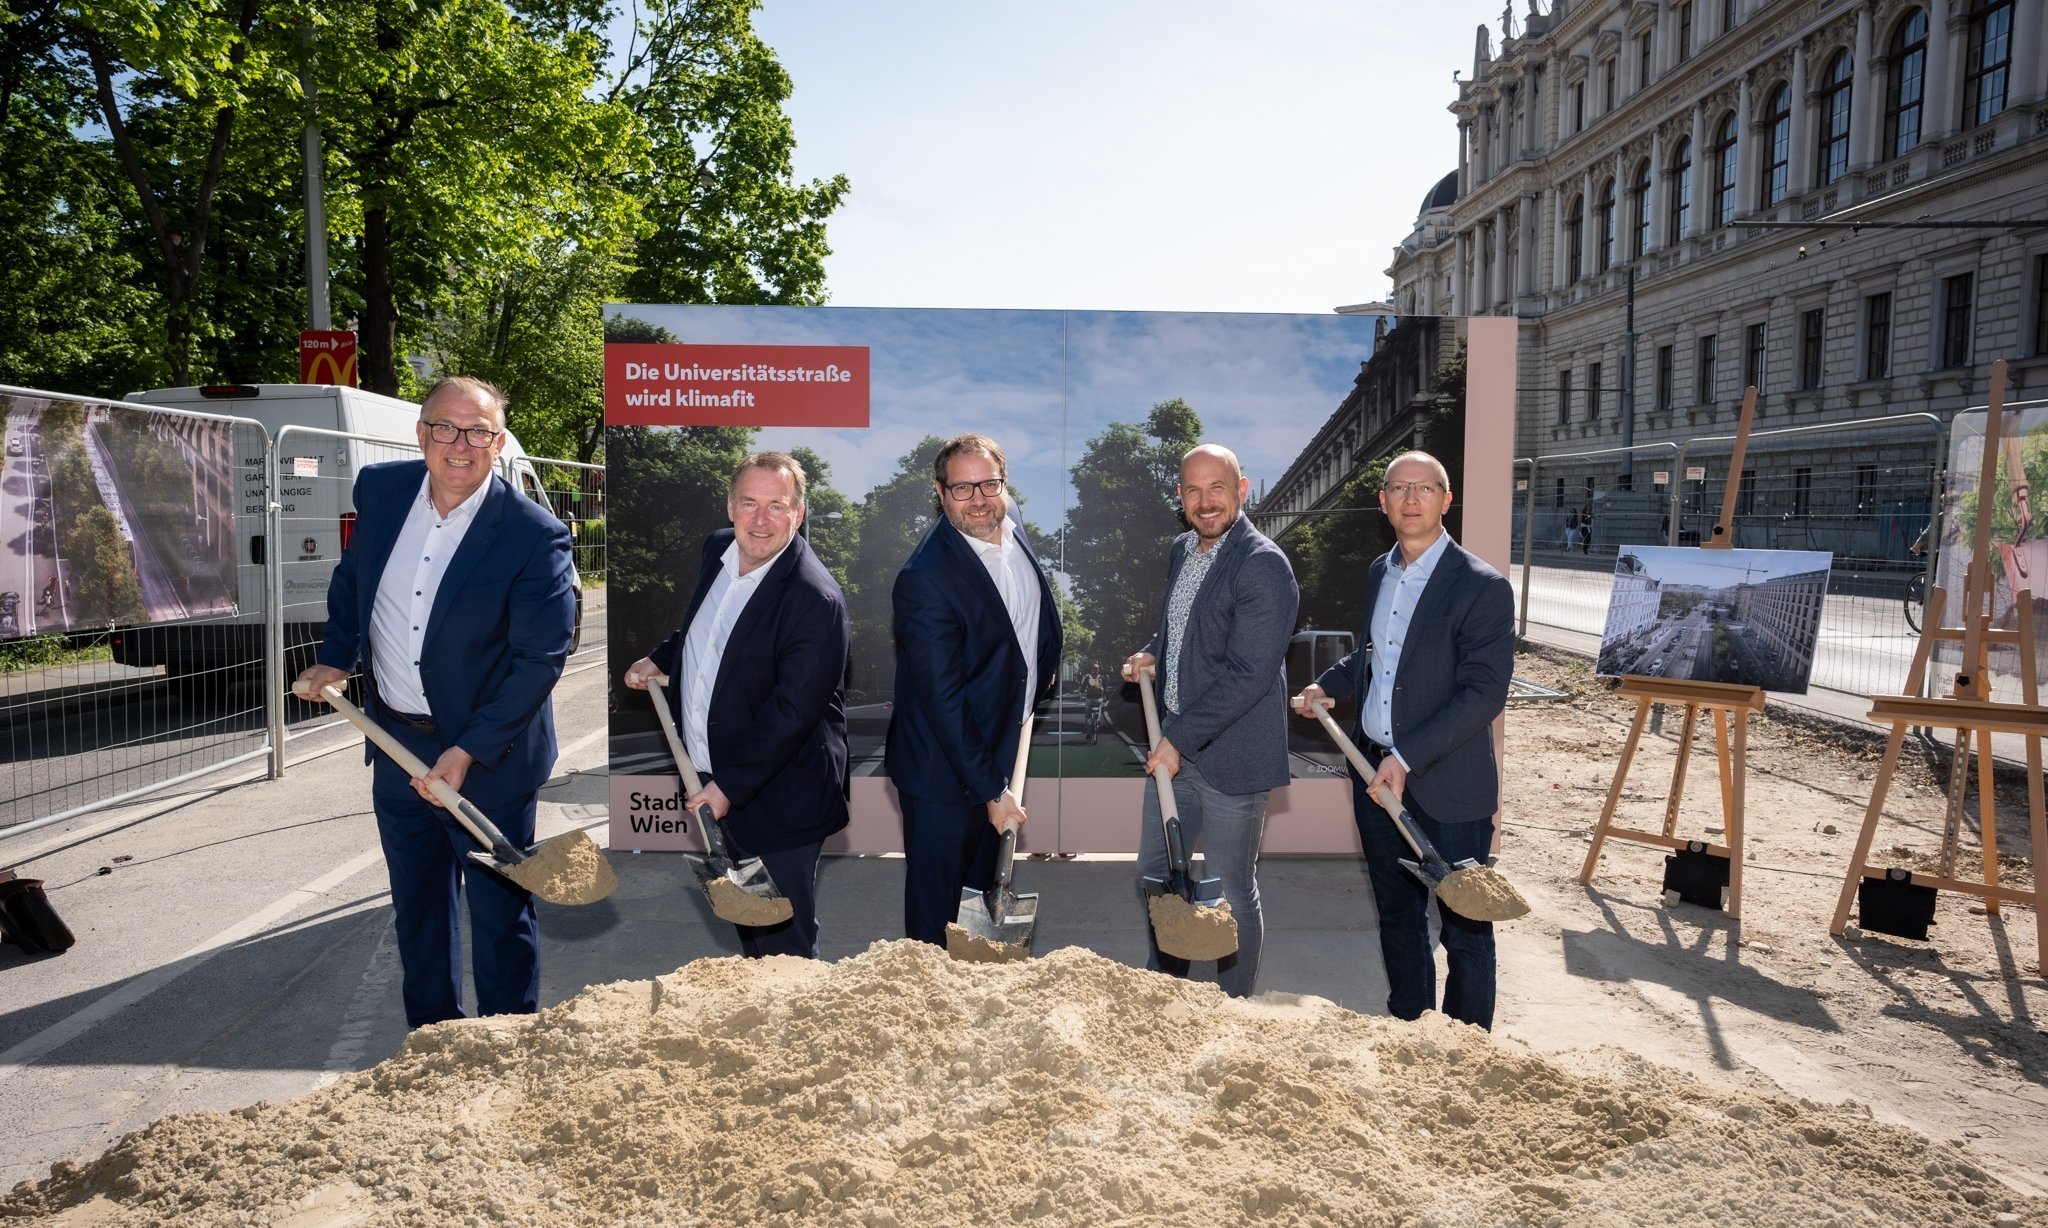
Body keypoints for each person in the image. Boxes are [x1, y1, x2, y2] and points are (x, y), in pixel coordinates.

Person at [295, 376, 576, 1030]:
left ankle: (505, 1051)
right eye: (445, 427)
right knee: (418, 911)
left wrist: (469, 749)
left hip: (489, 758)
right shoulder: (384, 493)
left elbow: (539, 660)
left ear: (498, 443)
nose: (460, 444)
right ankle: (434, 1043)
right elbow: (352, 581)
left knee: (500, 918)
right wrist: (338, 654)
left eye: (478, 432)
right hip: (397, 744)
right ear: (421, 433)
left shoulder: (534, 535)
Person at [1291, 450, 1514, 1030]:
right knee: (1398, 913)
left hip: (1449, 786)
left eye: (1425, 488)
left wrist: (1407, 757)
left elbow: (1484, 693)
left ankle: (1465, 1047)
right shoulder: (1380, 571)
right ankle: (1409, 1029)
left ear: (1447, 500)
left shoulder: (1481, 586)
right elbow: (1375, 655)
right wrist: (1328, 685)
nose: (1411, 499)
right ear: (1384, 502)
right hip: (1375, 777)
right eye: (1399, 488)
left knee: (1465, 925)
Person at [621, 452, 850, 958]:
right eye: (749, 503)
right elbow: (708, 628)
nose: (761, 520)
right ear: (730, 506)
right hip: (716, 776)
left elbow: (792, 713)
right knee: (749, 925)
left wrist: (728, 786)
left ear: (799, 512)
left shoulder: (815, 600)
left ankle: (794, 1029)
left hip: (780, 794)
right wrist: (662, 657)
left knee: (782, 938)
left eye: (777, 505)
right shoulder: (718, 551)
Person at [1122, 443, 1296, 998]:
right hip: (1178, 747)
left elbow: (1249, 673)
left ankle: (1232, 1009)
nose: (1205, 501)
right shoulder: (1182, 550)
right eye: (1193, 490)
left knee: (1230, 893)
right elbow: (1182, 627)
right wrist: (1154, 651)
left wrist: (1175, 739)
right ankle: (1165, 994)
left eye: (1216, 488)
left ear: (1241, 489)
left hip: (1232, 756)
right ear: (1181, 496)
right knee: (1156, 877)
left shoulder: (1263, 564)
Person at [886, 435, 1061, 946]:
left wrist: (1037, 673)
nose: (980, 498)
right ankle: (927, 1008)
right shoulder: (924, 579)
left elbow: (1031, 621)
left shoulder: (1012, 522)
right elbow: (944, 700)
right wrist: (990, 790)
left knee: (983, 899)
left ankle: (981, 1002)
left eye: (989, 483)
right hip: (944, 770)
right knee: (937, 918)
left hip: (1002, 747)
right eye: (962, 488)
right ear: (939, 493)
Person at [1078, 661, 1110, 743]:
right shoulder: (1102, 678)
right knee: (1099, 708)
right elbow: (1105, 688)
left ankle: (1089, 733)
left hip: (1089, 699)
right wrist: (1105, 696)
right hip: (1099, 699)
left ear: (1091, 669)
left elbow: (1083, 687)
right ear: (1098, 670)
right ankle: (1098, 719)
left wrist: (1081, 695)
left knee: (1087, 717)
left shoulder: (1088, 678)